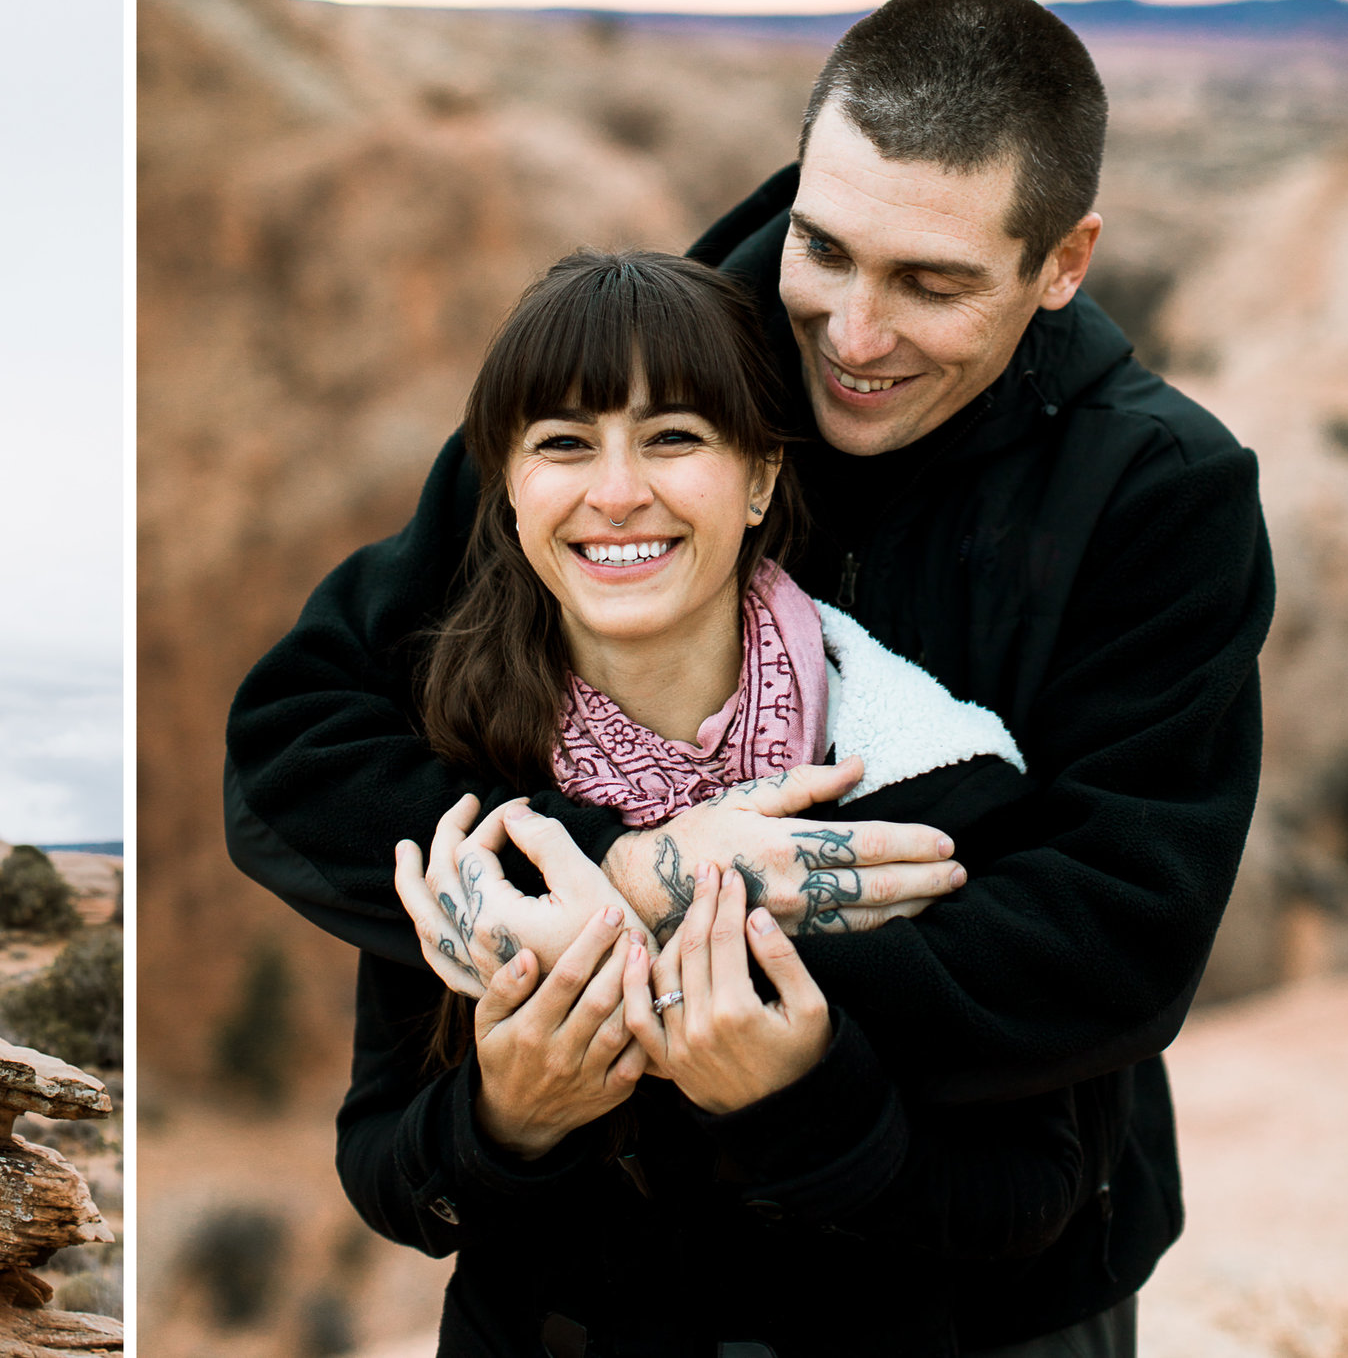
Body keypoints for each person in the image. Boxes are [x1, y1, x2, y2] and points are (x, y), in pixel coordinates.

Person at [227, 0, 1274, 1355]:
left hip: (973, 1286)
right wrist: (633, 868)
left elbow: (1118, 932)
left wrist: (752, 991)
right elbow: (303, 733)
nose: (851, 333)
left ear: (1062, 261)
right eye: (825, 250)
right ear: (802, 172)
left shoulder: (1157, 490)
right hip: (599, 1285)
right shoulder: (646, 388)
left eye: (932, 282)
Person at [346, 250, 1095, 1357]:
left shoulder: (925, 777)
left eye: (672, 437)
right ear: (506, 488)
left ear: (758, 477)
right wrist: (502, 1118)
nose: (615, 491)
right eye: (561, 443)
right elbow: (385, 1171)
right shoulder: (461, 767)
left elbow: (1032, 1192)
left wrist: (802, 1097)